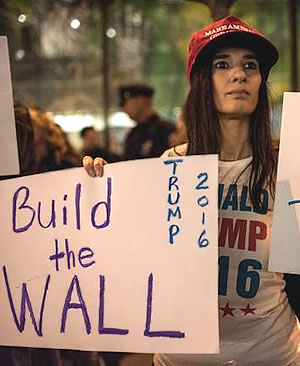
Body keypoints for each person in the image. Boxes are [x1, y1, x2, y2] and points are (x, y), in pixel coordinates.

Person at [83, 15, 300, 365]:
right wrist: (100, 194)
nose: (239, 74)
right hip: (183, 356)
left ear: (261, 81)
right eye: (222, 64)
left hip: (273, 353)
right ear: (203, 82)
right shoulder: (174, 164)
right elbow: (142, 254)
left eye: (250, 65)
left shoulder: (289, 166)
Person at [119, 84, 176, 160]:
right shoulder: (133, 134)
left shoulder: (165, 130)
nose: (124, 108)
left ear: (141, 100)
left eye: (127, 102)